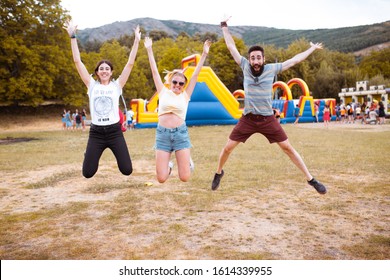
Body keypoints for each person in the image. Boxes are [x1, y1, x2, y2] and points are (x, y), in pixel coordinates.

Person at [212, 16, 327, 194]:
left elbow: (295, 60)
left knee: (288, 148)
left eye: (258, 58)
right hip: (248, 118)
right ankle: (219, 173)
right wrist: (224, 26)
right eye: (253, 58)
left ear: (263, 59)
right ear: (249, 60)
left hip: (267, 118)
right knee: (227, 148)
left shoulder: (272, 69)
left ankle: (311, 179)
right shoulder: (244, 66)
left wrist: (311, 48)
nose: (256, 61)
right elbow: (231, 47)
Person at [64, 20, 141, 178]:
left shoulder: (117, 85)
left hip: (114, 132)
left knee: (127, 170)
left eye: (107, 69)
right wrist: (73, 37)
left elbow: (130, 64)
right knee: (88, 173)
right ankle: (90, 153)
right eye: (101, 69)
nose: (104, 71)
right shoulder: (91, 85)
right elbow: (77, 62)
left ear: (111, 72)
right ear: (97, 72)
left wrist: (136, 41)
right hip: (96, 133)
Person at [144, 36, 211, 183]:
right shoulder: (163, 91)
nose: (178, 85)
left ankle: (188, 162)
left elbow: (195, 75)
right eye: (175, 82)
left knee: (184, 177)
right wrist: (149, 50)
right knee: (161, 178)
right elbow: (155, 72)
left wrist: (204, 54)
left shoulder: (185, 95)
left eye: (181, 83)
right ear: (170, 81)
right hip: (163, 135)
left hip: (180, 134)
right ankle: (168, 166)